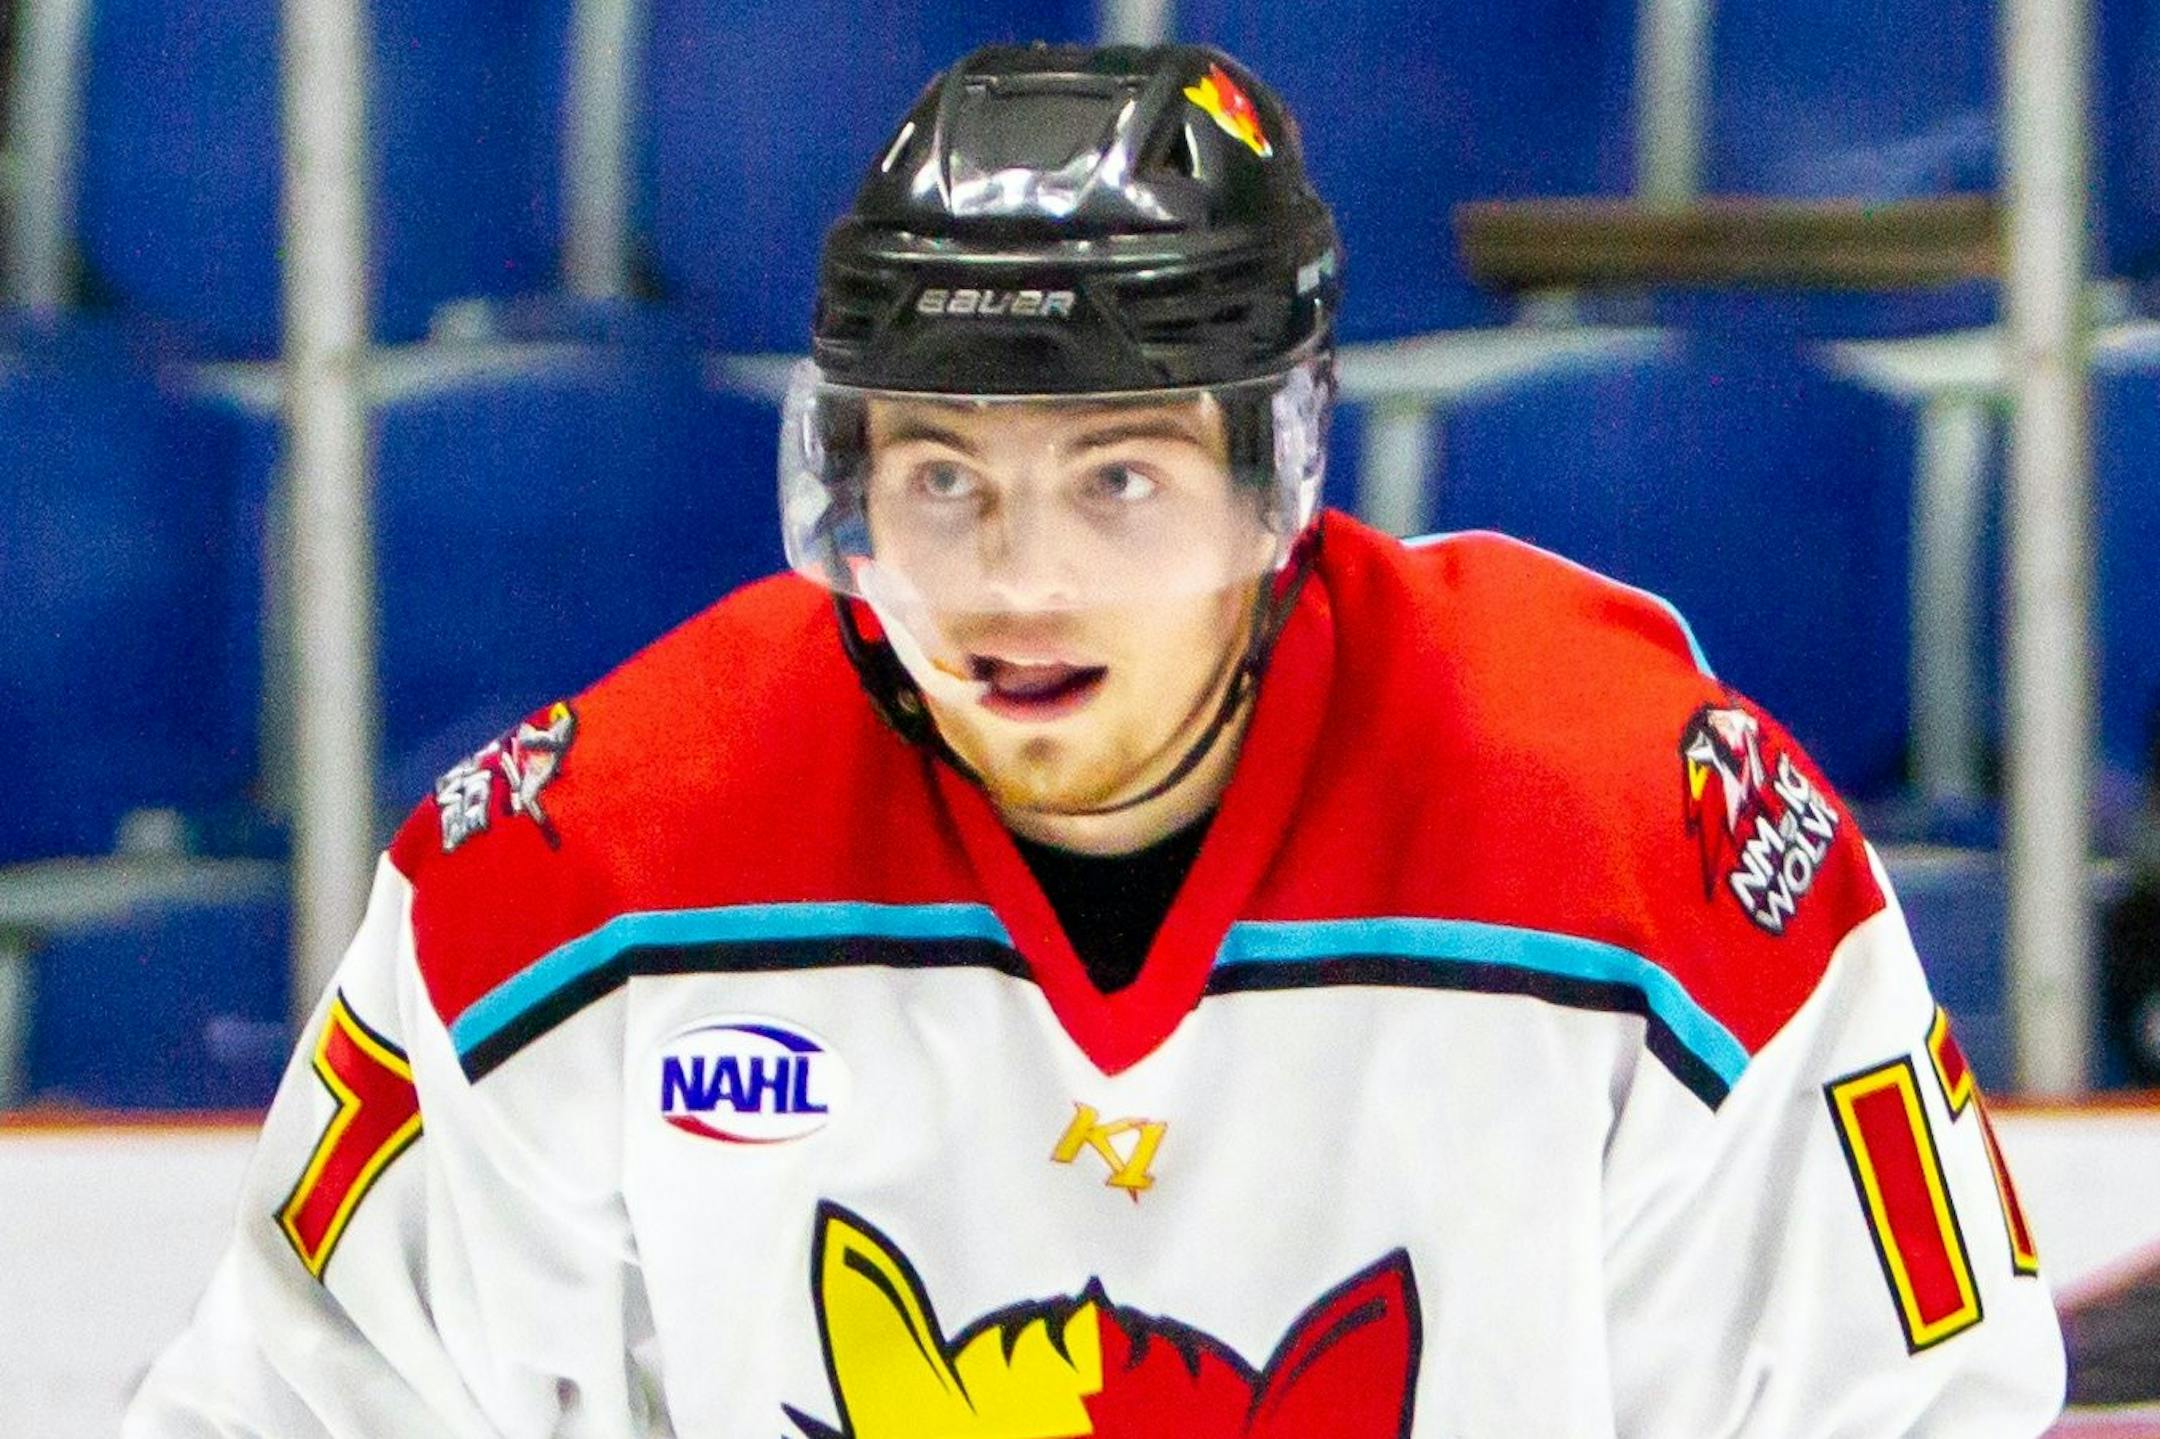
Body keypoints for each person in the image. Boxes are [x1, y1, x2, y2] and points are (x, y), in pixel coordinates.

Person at [128, 43, 2065, 1436]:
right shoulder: (584, 871)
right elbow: (299, 1409)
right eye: (942, 478)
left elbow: (1910, 1406)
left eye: (1118, 480)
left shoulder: (1636, 832)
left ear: (1274, 476)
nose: (1018, 581)